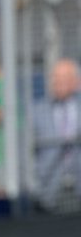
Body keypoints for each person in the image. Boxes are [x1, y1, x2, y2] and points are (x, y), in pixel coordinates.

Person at [33, 58, 81, 212]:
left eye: (63, 78)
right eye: (55, 77)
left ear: (76, 81)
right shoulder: (37, 110)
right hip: (48, 190)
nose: (57, 82)